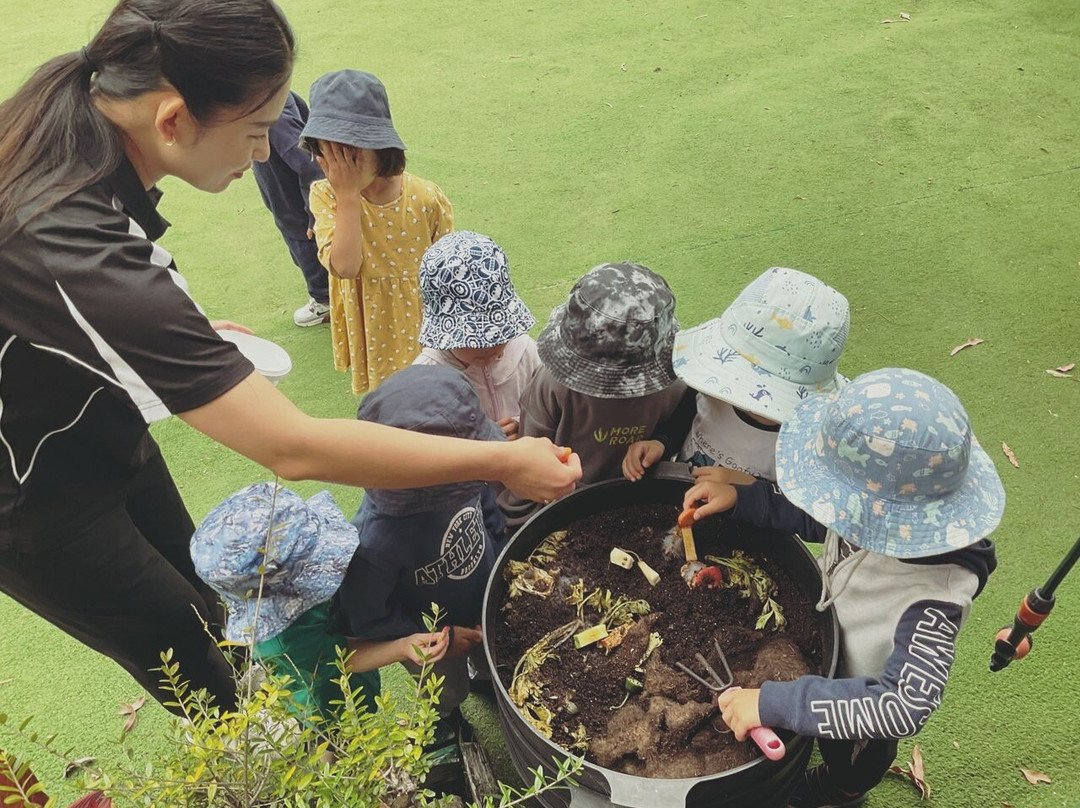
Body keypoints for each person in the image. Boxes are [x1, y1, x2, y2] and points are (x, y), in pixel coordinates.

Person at [0, 0, 579, 714]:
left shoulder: (79, 142)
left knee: (211, 606)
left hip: (98, 427)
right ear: (173, 119)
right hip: (31, 501)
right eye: (253, 131)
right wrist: (500, 459)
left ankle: (265, 686)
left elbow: (60, 307)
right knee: (181, 655)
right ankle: (258, 752)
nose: (266, 153)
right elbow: (294, 448)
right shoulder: (64, 235)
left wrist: (164, 332)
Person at [684, 368, 1003, 808]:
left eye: (849, 508)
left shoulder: (936, 599)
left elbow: (902, 703)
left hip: (860, 695)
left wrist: (774, 704)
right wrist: (747, 499)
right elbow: (825, 518)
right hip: (830, 639)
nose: (842, 517)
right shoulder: (879, 518)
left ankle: (839, 790)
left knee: (851, 758)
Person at [334, 366, 505, 717]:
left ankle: (487, 678)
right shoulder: (372, 545)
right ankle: (448, 717)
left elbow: (487, 508)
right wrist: (442, 638)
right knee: (448, 690)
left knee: (493, 659)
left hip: (485, 605)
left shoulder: (464, 479)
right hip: (433, 641)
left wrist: (500, 564)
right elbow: (368, 619)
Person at [498, 262, 687, 530]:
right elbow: (529, 464)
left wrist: (661, 442)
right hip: (561, 502)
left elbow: (683, 417)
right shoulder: (554, 385)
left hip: (636, 501)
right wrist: (521, 526)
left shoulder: (674, 383)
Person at [623, 266, 850, 483]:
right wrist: (662, 442)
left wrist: (750, 489)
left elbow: (805, 511)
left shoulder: (808, 439)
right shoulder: (713, 385)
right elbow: (686, 414)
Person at [303, 70, 454, 395]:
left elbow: (448, 271)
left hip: (421, 321)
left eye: (350, 153)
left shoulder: (425, 197)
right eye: (328, 153)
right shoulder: (326, 195)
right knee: (388, 404)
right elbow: (345, 266)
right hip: (370, 325)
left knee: (429, 399)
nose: (340, 166)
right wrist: (347, 195)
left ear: (379, 146)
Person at [191, 482, 383, 721]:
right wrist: (404, 647)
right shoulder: (286, 641)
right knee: (338, 735)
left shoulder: (279, 595)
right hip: (329, 696)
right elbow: (345, 659)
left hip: (332, 651)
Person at [413, 231, 540, 440]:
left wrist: (525, 426)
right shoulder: (426, 376)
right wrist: (480, 440)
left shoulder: (525, 351)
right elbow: (422, 446)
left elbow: (547, 411)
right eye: (472, 338)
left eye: (496, 335)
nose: (487, 346)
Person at [250, 91, 331, 327]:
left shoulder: (272, 113)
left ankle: (324, 299)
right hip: (282, 183)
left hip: (293, 199)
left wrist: (313, 211)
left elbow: (308, 162)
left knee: (302, 238)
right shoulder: (274, 93)